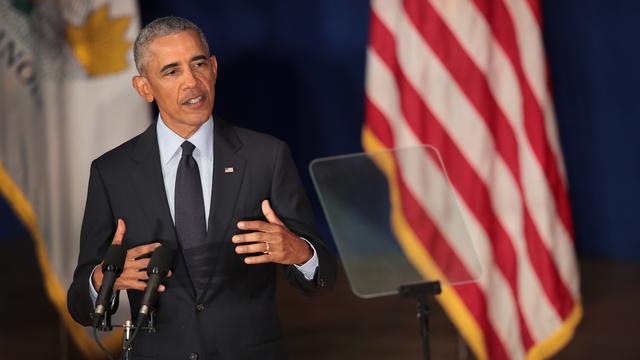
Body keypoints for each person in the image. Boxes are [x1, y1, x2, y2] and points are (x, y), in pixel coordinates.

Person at [67, 16, 336, 359]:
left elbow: (324, 274)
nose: (192, 82)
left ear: (214, 68)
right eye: (171, 71)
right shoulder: (112, 172)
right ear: (144, 87)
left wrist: (300, 253)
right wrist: (102, 280)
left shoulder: (266, 156)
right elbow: (79, 303)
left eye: (198, 64)